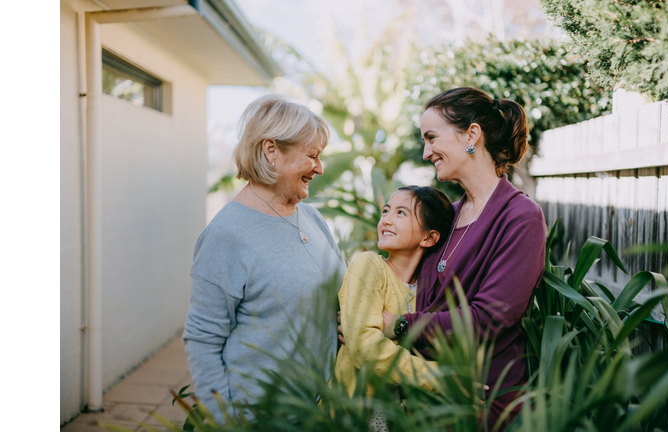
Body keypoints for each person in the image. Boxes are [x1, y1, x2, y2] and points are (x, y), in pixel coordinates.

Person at [378, 87, 547, 429]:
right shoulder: (445, 217)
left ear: (471, 134)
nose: (426, 153)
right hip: (427, 400)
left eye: (431, 138)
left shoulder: (520, 217)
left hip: (480, 404)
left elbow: (488, 318)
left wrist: (397, 326)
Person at [183, 94, 346, 424]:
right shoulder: (226, 235)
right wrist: (224, 422)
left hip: (321, 410)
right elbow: (202, 338)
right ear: (271, 150)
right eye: (312, 155)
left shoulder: (312, 218)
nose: (319, 167)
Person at [334, 186, 455, 432]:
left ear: (429, 238)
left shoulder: (429, 289)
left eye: (401, 213)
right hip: (359, 415)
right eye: (386, 211)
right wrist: (437, 377)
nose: (386, 220)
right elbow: (365, 347)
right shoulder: (368, 265)